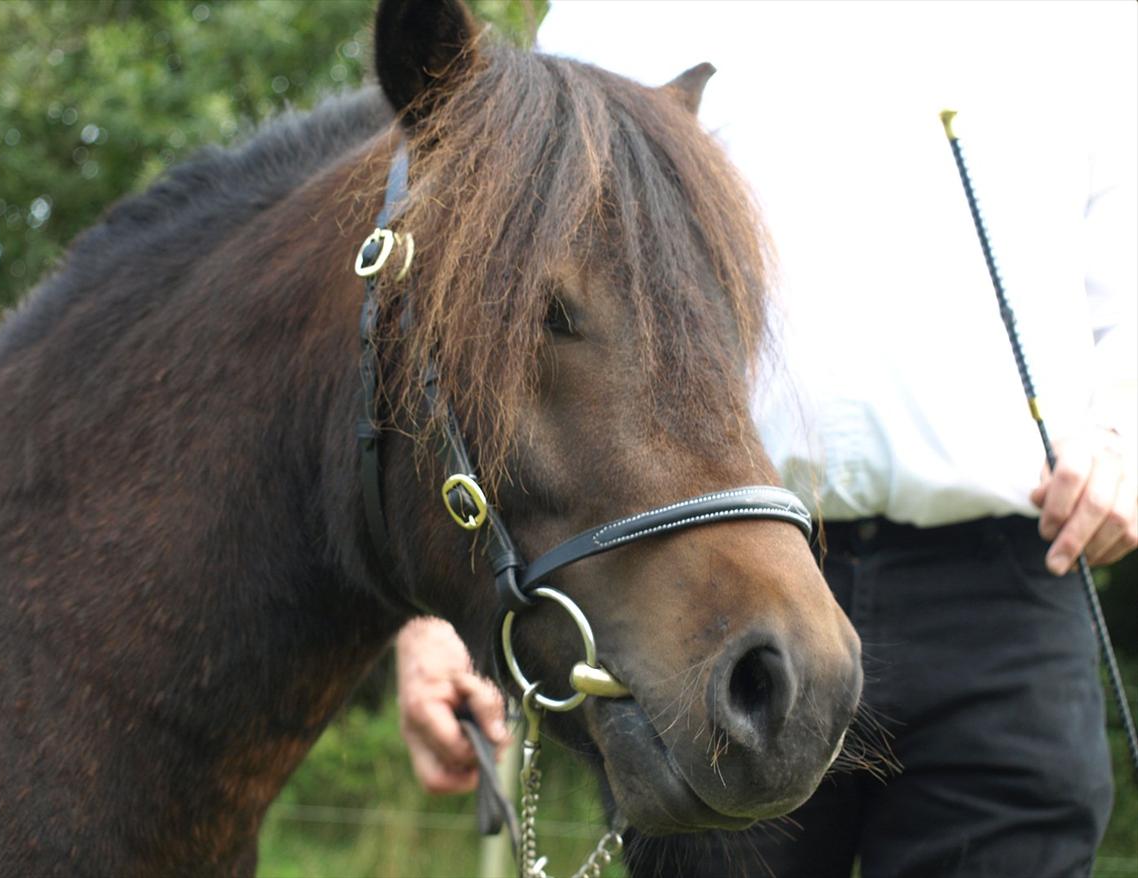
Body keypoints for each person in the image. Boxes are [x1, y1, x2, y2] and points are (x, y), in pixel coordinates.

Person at [396, 2, 1137, 875]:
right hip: (699, 593)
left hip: (1009, 591)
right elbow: (473, 305)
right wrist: (443, 614)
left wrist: (1125, 439)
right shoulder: (610, 16)